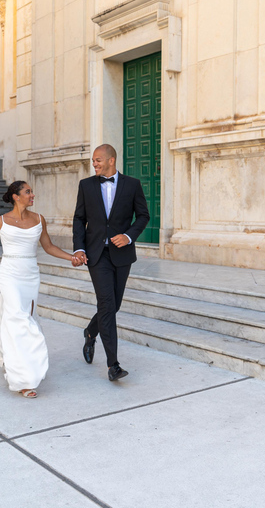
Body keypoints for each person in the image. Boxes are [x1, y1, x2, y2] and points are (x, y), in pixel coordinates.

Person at [0, 181, 83, 398]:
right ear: (16, 196)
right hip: (9, 273)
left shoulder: (38, 219)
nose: (32, 195)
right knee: (18, 319)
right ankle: (23, 379)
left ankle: (21, 362)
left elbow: (48, 246)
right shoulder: (0, 221)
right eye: (28, 192)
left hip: (30, 274)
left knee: (26, 317)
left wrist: (71, 257)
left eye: (31, 191)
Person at [73, 144, 150, 381]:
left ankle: (90, 331)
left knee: (113, 305)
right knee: (106, 304)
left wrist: (128, 235)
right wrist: (79, 248)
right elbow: (79, 218)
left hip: (122, 254)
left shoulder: (132, 184)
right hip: (97, 255)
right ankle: (113, 365)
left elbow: (144, 215)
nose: (94, 164)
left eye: (97, 160)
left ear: (111, 160)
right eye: (93, 161)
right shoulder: (86, 185)